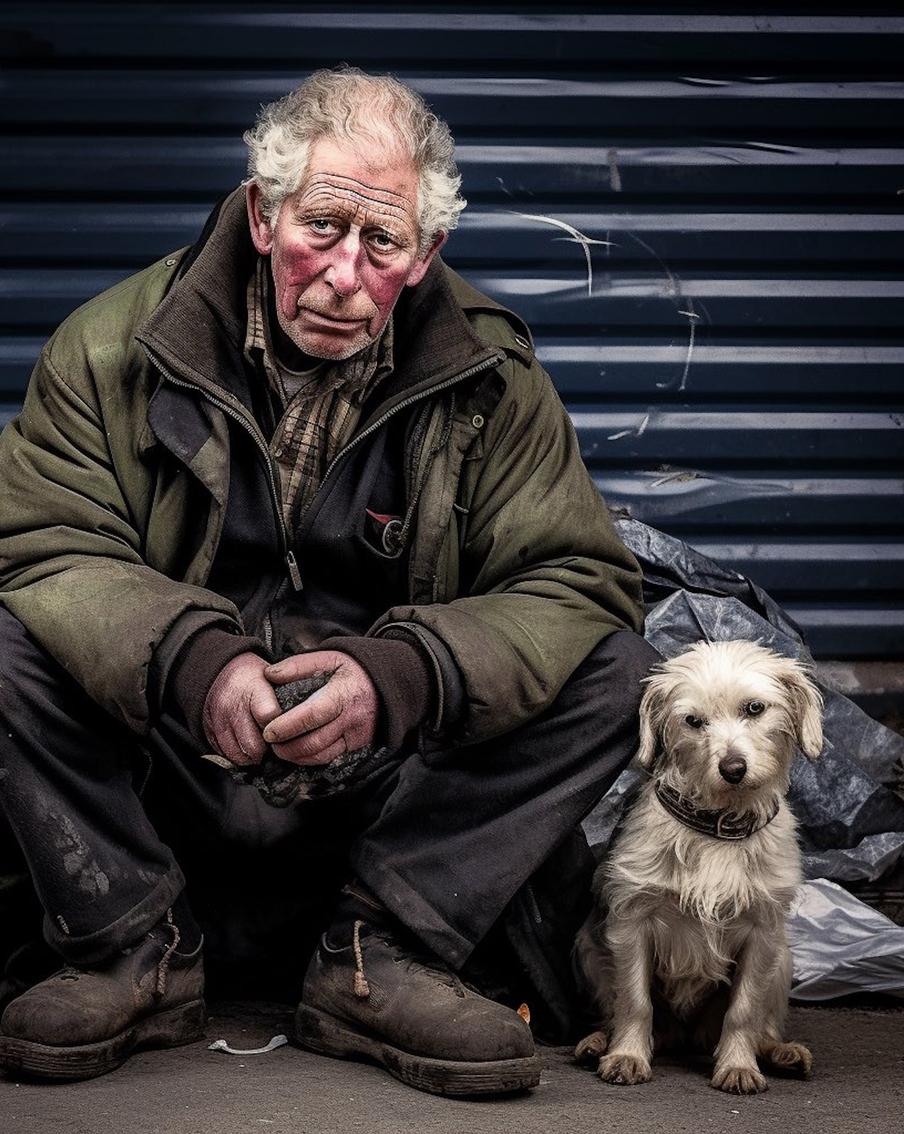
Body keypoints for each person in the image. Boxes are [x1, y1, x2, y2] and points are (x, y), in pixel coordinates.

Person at [0, 67, 655, 1096]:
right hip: (166, 773)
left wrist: (400, 677)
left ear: (426, 252)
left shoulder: (491, 379)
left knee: (617, 670)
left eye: (381, 241)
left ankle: (377, 954)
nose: (345, 273)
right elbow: (42, 547)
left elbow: (577, 584)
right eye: (321, 226)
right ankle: (130, 946)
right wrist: (192, 662)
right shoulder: (107, 348)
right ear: (263, 217)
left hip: (385, 795)